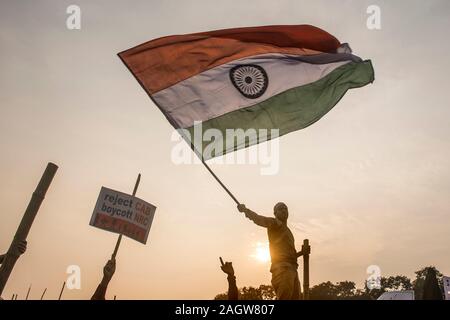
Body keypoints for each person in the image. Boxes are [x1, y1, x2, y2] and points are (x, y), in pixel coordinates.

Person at [237, 202, 309, 300]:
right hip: (282, 268)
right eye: (281, 209)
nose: (284, 210)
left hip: (292, 269)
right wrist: (246, 211)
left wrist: (302, 252)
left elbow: (290, 255)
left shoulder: (288, 231)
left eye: (285, 208)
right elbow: (259, 219)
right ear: (275, 213)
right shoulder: (275, 223)